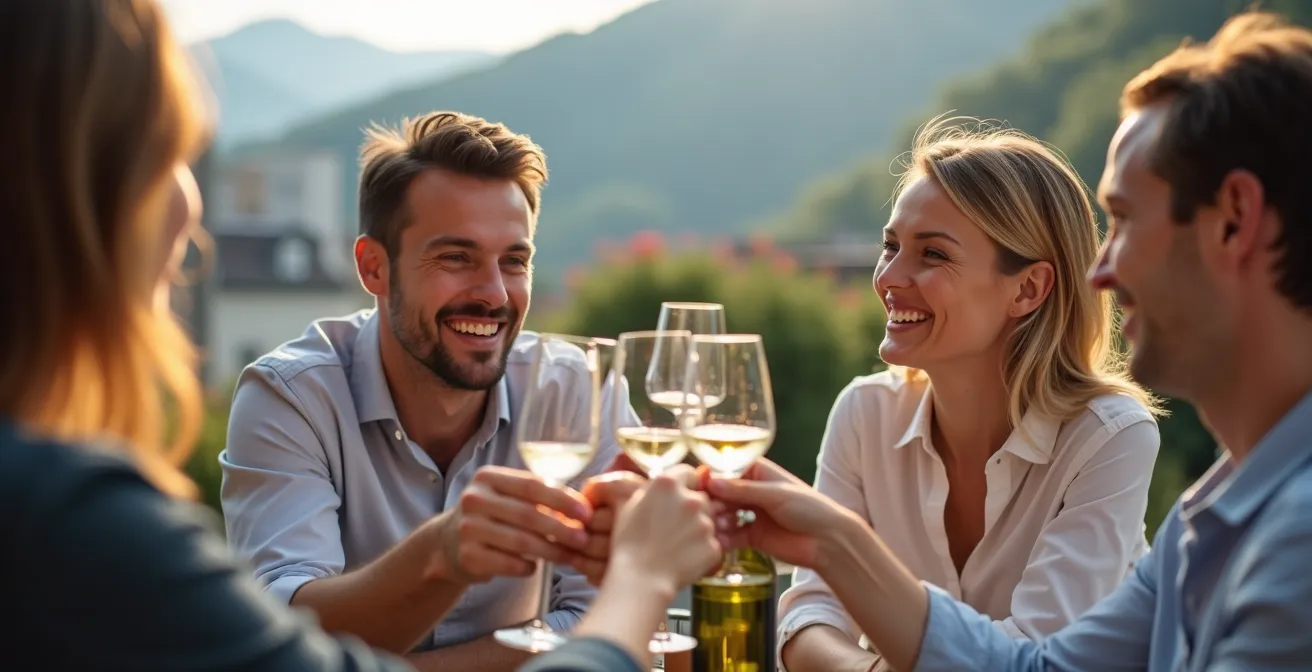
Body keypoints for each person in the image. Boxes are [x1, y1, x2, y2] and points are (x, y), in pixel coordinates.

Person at [710, 10, 1312, 670]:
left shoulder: (1293, 536)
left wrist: (836, 547)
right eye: (890, 246)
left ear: (1235, 221)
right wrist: (830, 539)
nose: (1101, 270)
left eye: (1123, 220)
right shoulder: (1215, 515)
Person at [0, 0, 408, 668]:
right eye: (167, 155)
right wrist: (605, 615)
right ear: (75, 191)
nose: (190, 206)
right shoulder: (66, 523)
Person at [218, 111, 624, 670]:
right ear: (374, 268)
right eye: (456, 258)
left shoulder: (579, 390)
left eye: (514, 261)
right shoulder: (291, 398)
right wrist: (440, 556)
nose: (494, 295)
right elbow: (289, 634)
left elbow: (610, 617)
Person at [777, 118, 1162, 671]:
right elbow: (806, 618)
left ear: (1027, 288)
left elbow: (1037, 658)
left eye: (933, 254)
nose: (889, 278)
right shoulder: (865, 414)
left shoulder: (1108, 436)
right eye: (891, 246)